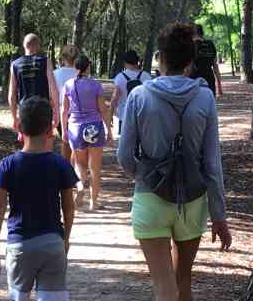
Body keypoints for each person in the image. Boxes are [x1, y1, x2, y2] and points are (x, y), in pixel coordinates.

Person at [118, 22, 231, 301]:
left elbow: (123, 157)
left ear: (159, 58)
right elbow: (212, 163)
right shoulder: (204, 99)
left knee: (163, 287)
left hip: (150, 199)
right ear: (189, 61)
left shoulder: (139, 96)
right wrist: (220, 214)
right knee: (184, 279)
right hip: (195, 202)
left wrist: (148, 176)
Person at [0, 96, 79, 301]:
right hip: (52, 242)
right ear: (51, 127)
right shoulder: (59, 164)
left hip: (19, 244)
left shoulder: (8, 165)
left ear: (19, 127)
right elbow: (69, 206)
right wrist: (65, 239)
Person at [60, 56, 111, 211]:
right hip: (94, 127)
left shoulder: (68, 85)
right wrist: (109, 129)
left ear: (76, 68)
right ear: (88, 67)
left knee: (79, 164)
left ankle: (80, 186)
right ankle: (93, 203)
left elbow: (64, 111)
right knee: (95, 168)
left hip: (75, 128)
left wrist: (64, 130)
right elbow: (103, 109)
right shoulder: (95, 85)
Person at [8, 34, 62, 146]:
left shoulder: (15, 64)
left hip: (25, 111)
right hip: (44, 110)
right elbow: (53, 89)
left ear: (24, 45)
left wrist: (14, 118)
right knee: (46, 148)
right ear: (38, 46)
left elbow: (12, 94)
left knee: (29, 147)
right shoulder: (45, 61)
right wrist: (56, 112)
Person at [111, 49, 152, 143]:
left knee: (125, 143)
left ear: (125, 62)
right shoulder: (146, 76)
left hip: (124, 116)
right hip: (142, 115)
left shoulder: (120, 77)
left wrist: (110, 116)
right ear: (137, 62)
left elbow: (114, 99)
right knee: (142, 142)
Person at [191, 24, 223, 97]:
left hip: (194, 81)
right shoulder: (210, 44)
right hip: (209, 80)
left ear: (193, 33)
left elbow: (188, 67)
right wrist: (219, 86)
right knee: (210, 105)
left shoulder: (191, 45)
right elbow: (215, 66)